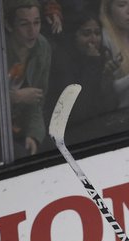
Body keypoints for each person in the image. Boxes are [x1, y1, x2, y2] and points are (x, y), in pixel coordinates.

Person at [0, 0, 52, 156]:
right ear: (8, 25)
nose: (32, 31)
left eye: (36, 23)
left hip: (21, 124)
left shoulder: (42, 47)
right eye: (24, 24)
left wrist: (33, 134)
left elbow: (38, 100)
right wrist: (14, 98)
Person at [45, 7, 121, 143]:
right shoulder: (61, 62)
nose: (93, 40)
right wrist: (92, 65)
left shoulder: (102, 56)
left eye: (97, 33)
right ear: (74, 35)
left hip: (100, 128)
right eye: (87, 34)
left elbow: (111, 106)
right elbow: (78, 111)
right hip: (70, 134)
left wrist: (105, 77)